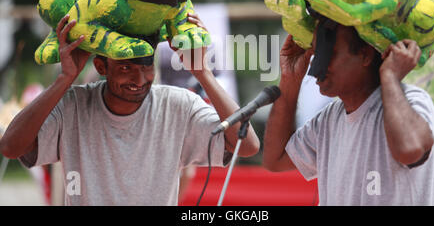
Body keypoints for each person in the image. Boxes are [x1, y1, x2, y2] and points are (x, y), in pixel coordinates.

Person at [0, 13, 260, 206]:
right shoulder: (72, 104)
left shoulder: (180, 105)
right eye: (126, 68)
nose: (139, 79)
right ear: (101, 67)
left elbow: (247, 146)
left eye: (146, 66)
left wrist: (203, 73)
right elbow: (11, 147)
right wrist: (64, 79)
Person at [263, 22, 434, 205]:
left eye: (328, 54)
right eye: (316, 54)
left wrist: (390, 76)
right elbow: (275, 159)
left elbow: (409, 150)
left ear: (365, 54)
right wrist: (290, 79)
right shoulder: (328, 120)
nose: (316, 66)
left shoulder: (414, 100)